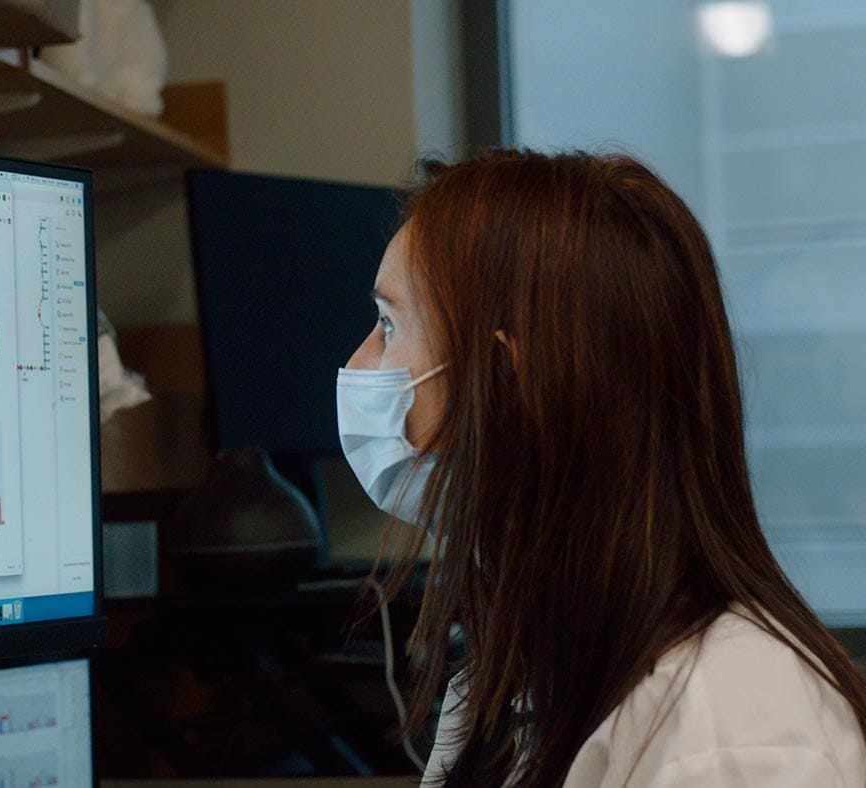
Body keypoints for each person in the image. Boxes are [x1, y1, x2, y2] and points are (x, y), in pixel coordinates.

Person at [336, 150, 866, 786]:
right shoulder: (525, 667)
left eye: (388, 324)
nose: (359, 363)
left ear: (507, 381)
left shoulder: (731, 727)